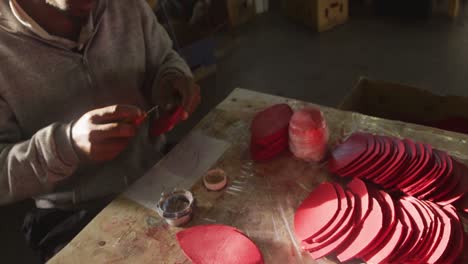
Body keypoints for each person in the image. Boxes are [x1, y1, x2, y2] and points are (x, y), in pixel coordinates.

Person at [0, 0, 200, 260]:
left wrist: (171, 76)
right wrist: (65, 146)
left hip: (156, 174)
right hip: (72, 215)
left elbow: (163, 57)